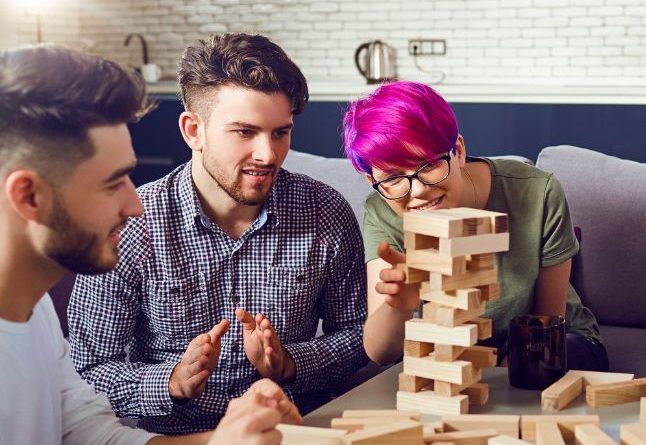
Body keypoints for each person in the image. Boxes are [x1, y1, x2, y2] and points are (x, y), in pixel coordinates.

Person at [66, 33, 369, 434]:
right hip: (178, 440)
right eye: (245, 132)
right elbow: (86, 372)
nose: (268, 154)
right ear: (194, 130)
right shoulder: (132, 223)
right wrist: (171, 381)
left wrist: (291, 363)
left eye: (280, 132)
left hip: (298, 431)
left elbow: (357, 336)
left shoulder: (325, 211)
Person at [0, 44, 300, 445]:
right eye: (112, 184)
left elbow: (90, 433)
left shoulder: (33, 313)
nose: (136, 205)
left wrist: (223, 441)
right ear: (30, 197)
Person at [343, 81, 607, 371]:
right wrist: (400, 305)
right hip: (453, 359)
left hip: (551, 342)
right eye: (393, 177)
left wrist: (496, 387)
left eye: (428, 165)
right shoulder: (382, 211)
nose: (416, 191)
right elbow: (380, 352)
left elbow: (545, 323)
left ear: (457, 150)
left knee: (534, 372)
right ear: (372, 181)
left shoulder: (537, 192)